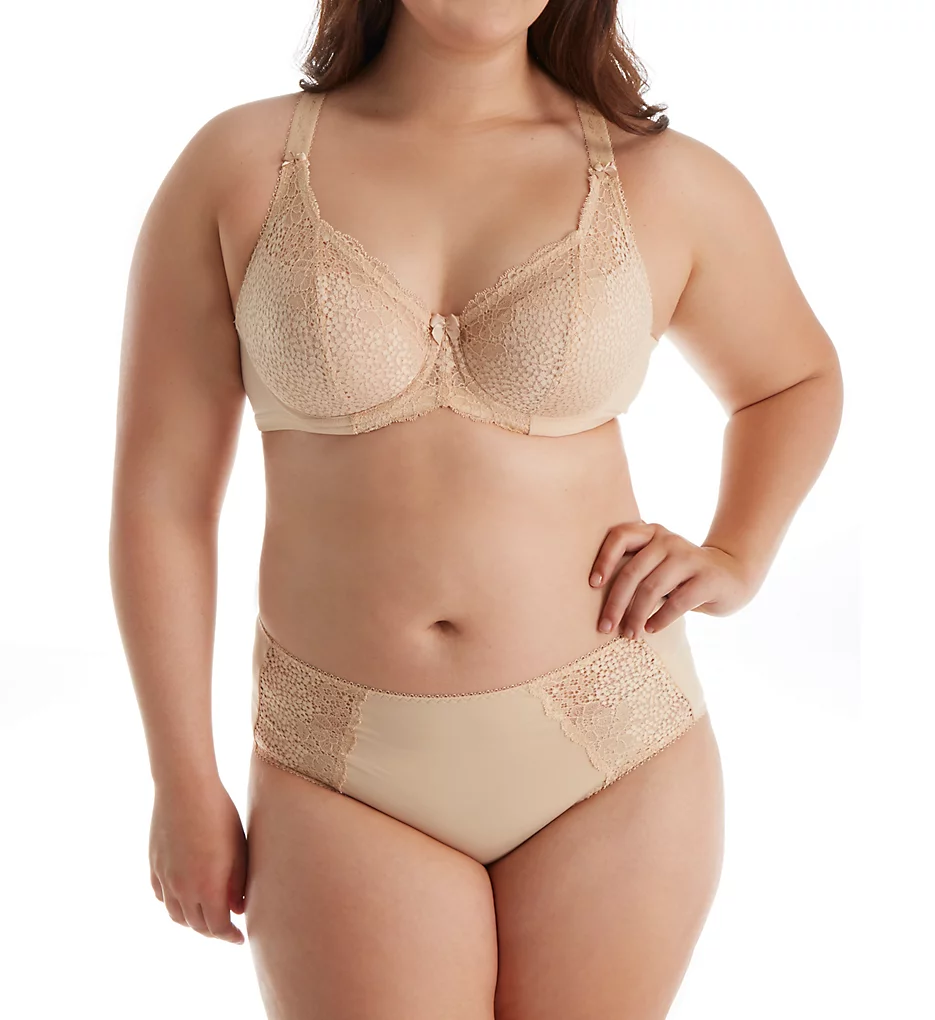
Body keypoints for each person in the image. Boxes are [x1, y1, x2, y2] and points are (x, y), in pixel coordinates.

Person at [109, 1, 844, 1017]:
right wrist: (182, 782)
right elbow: (161, 499)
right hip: (343, 767)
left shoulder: (662, 178)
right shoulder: (238, 167)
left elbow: (792, 380)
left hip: (614, 751)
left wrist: (736, 552)